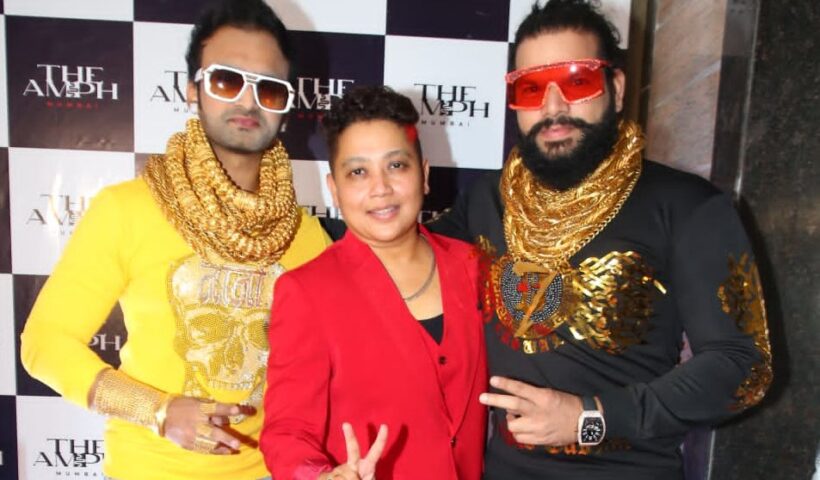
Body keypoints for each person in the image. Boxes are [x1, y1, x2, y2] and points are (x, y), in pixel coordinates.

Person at [428, 1, 773, 478]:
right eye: (531, 88)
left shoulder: (687, 205)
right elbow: (394, 262)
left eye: (577, 81)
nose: (553, 107)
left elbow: (743, 368)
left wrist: (590, 417)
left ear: (616, 87)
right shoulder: (487, 201)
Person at [20, 1, 329, 478]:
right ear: (192, 91)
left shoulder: (306, 236)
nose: (248, 102)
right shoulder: (127, 209)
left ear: (286, 106)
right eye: (227, 81)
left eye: (269, 88)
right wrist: (158, 411)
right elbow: (45, 342)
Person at [260, 85, 488, 480]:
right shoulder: (307, 292)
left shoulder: (474, 267)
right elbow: (286, 431)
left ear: (424, 175)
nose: (380, 188)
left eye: (396, 165)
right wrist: (319, 476)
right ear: (334, 189)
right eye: (358, 172)